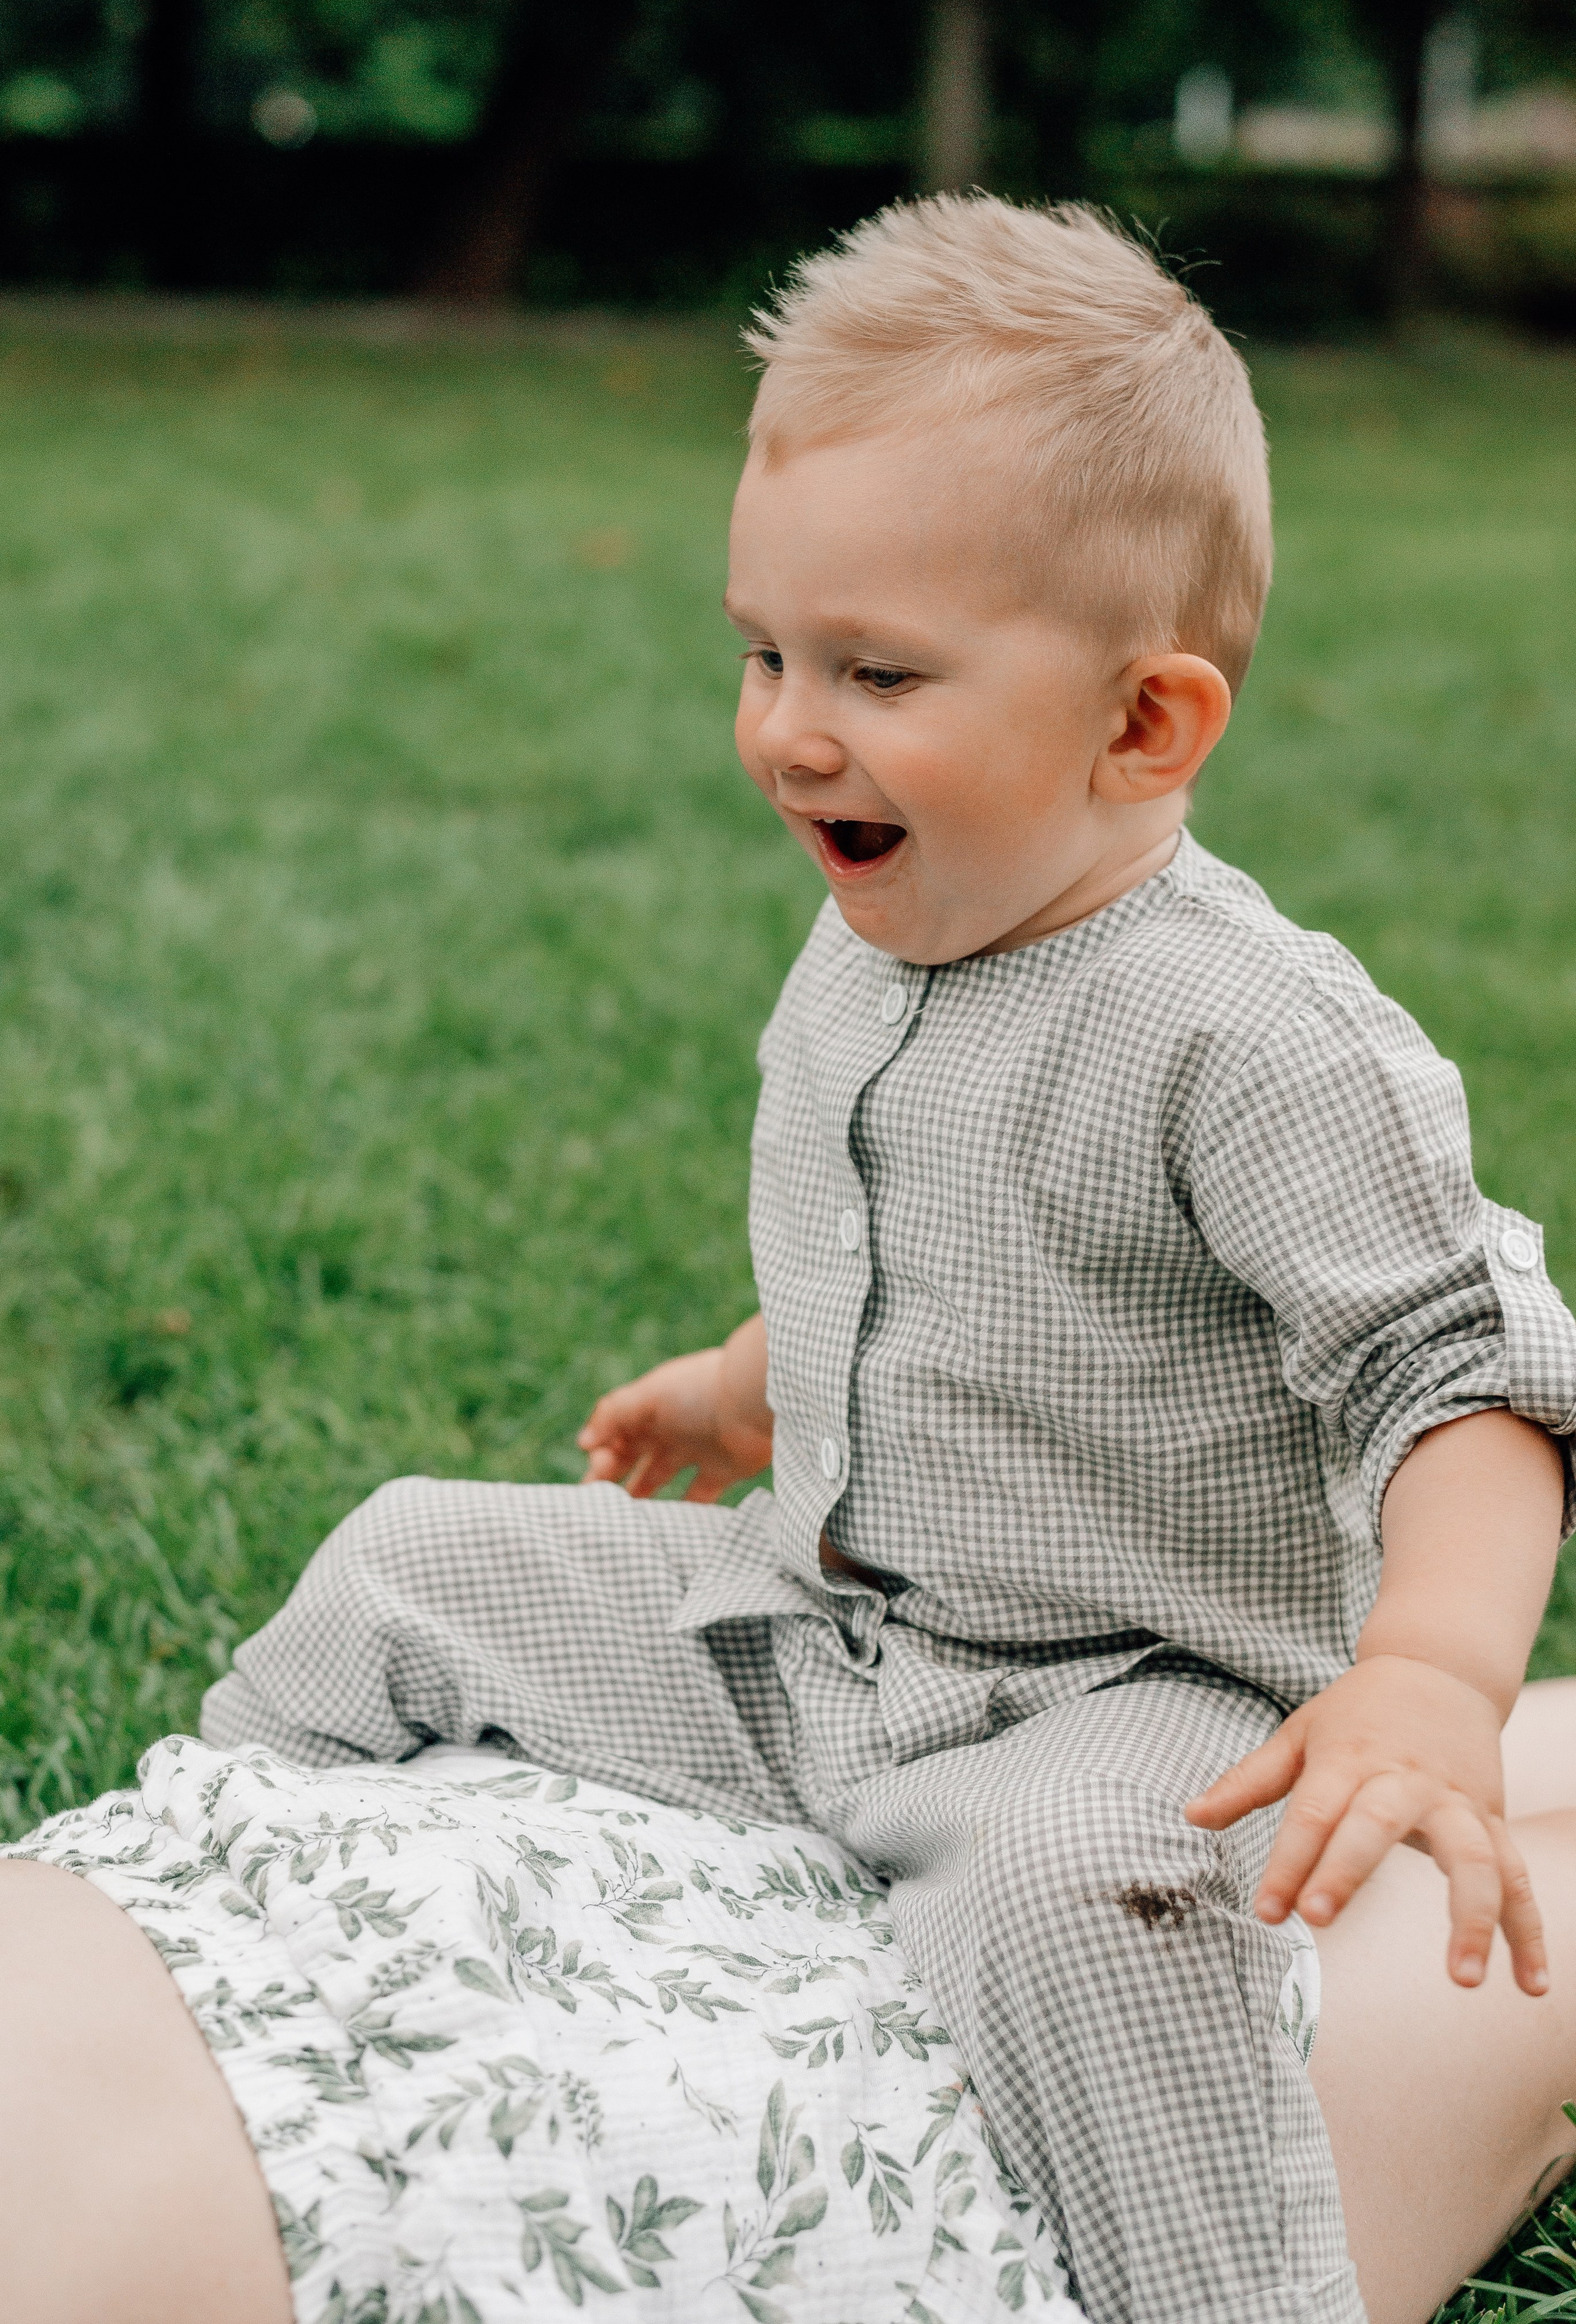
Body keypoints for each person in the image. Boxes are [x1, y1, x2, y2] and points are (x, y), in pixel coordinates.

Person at [4, 195, 1575, 2324]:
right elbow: (930, 1259)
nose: (786, 730)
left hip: (1112, 1691)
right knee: (409, 1559)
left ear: (1145, 727)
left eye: (877, 673)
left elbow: (1461, 1378)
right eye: (767, 651)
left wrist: (1434, 1671)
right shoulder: (890, 933)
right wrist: (746, 1386)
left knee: (1081, 1902)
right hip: (824, 1632)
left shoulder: (1252, 1035)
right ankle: (283, 1926)